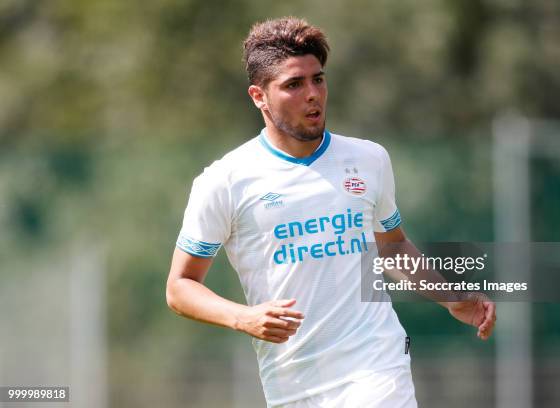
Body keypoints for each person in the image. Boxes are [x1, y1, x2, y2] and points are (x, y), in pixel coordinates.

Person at [166, 17, 496, 408]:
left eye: (318, 79)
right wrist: (245, 317)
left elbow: (392, 248)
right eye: (293, 84)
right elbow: (180, 288)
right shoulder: (225, 181)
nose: (313, 94)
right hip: (292, 382)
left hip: (376, 365)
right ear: (258, 96)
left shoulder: (369, 159)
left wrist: (451, 297)